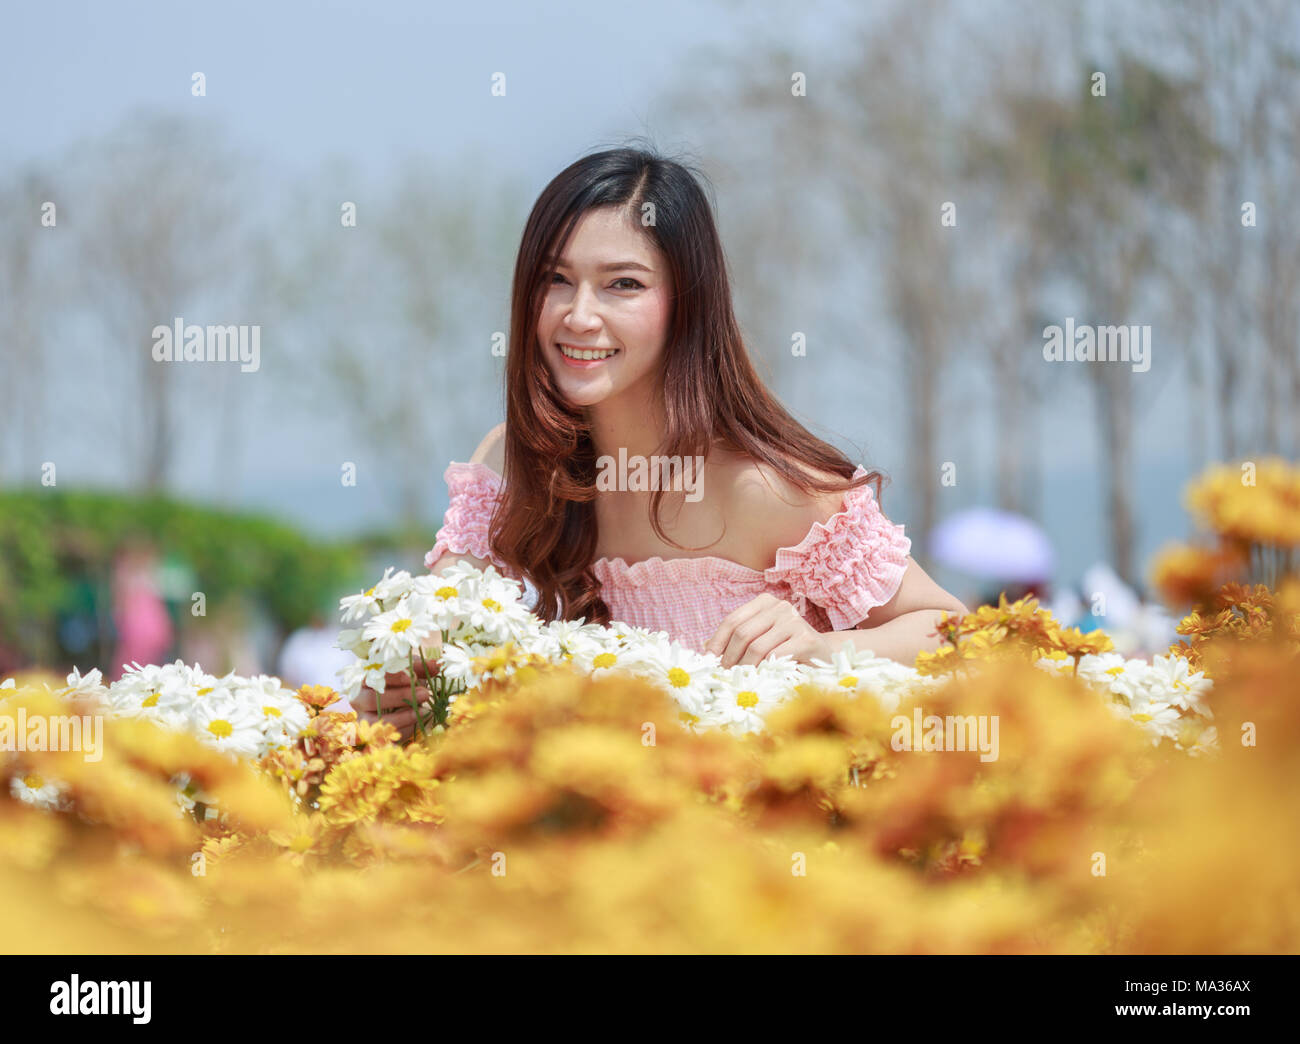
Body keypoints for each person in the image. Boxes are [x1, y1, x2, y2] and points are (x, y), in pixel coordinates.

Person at [356, 146, 968, 738]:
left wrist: (822, 647)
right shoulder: (512, 470)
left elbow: (953, 635)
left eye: (622, 284)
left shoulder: (767, 488)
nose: (579, 316)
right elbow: (432, 628)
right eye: (556, 280)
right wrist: (399, 683)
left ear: (686, 301)